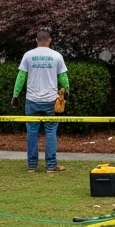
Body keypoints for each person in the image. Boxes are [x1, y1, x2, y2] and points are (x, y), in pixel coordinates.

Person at [10, 29, 69, 172]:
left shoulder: (28, 55)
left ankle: (31, 165)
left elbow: (21, 77)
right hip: (50, 100)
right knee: (50, 132)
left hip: (32, 100)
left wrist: (15, 95)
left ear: (36, 40)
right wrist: (66, 93)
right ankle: (51, 165)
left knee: (31, 132)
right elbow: (63, 78)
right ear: (49, 40)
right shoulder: (56, 56)